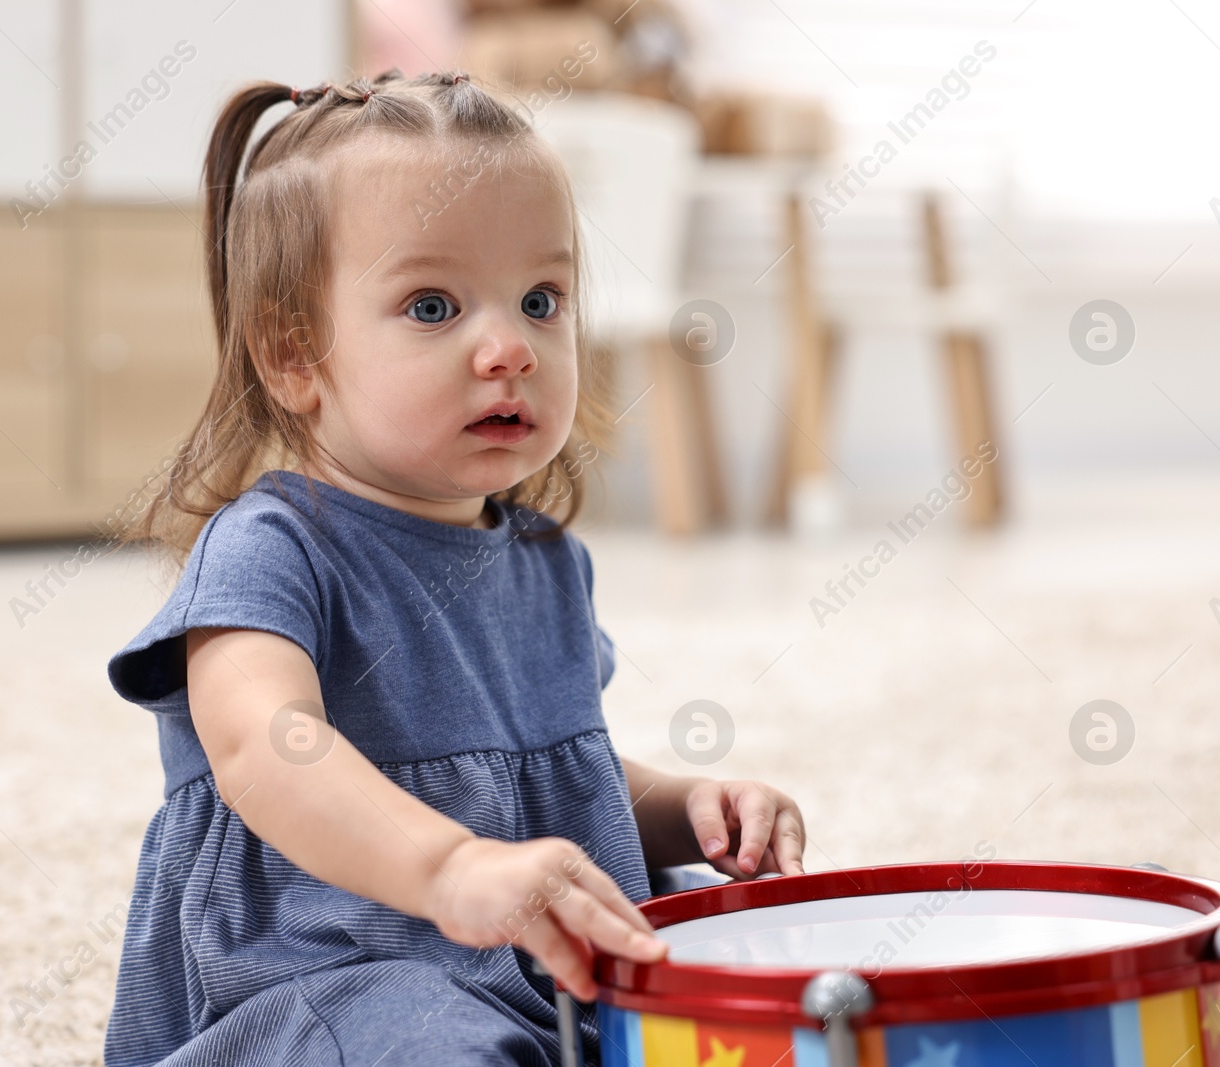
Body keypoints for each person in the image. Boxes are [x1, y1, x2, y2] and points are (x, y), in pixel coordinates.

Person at [103, 69, 806, 1066]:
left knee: (752, 974)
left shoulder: (544, 561)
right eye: (433, 305)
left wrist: (685, 808)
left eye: (540, 298)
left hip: (528, 950)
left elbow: (556, 776)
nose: (509, 346)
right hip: (334, 969)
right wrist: (448, 868)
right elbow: (268, 748)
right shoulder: (270, 549)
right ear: (292, 351)